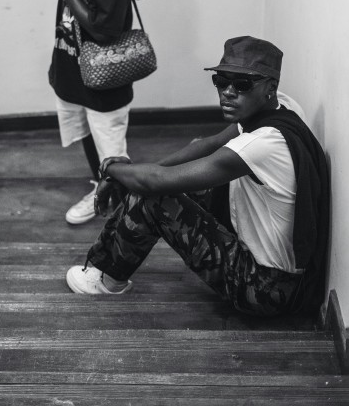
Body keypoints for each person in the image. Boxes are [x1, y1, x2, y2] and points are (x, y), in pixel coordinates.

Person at [66, 36, 330, 316]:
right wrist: (129, 174)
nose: (228, 92)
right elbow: (205, 145)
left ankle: (108, 281)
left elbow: (154, 182)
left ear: (270, 88)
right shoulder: (281, 108)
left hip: (264, 290)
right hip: (284, 279)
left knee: (154, 198)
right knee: (148, 181)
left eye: (242, 85)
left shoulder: (262, 144)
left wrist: (110, 168)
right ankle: (104, 267)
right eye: (221, 81)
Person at [48, 0, 135, 225]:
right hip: (71, 64)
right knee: (84, 131)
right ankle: (101, 186)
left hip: (103, 75)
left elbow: (105, 29)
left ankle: (121, 212)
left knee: (111, 149)